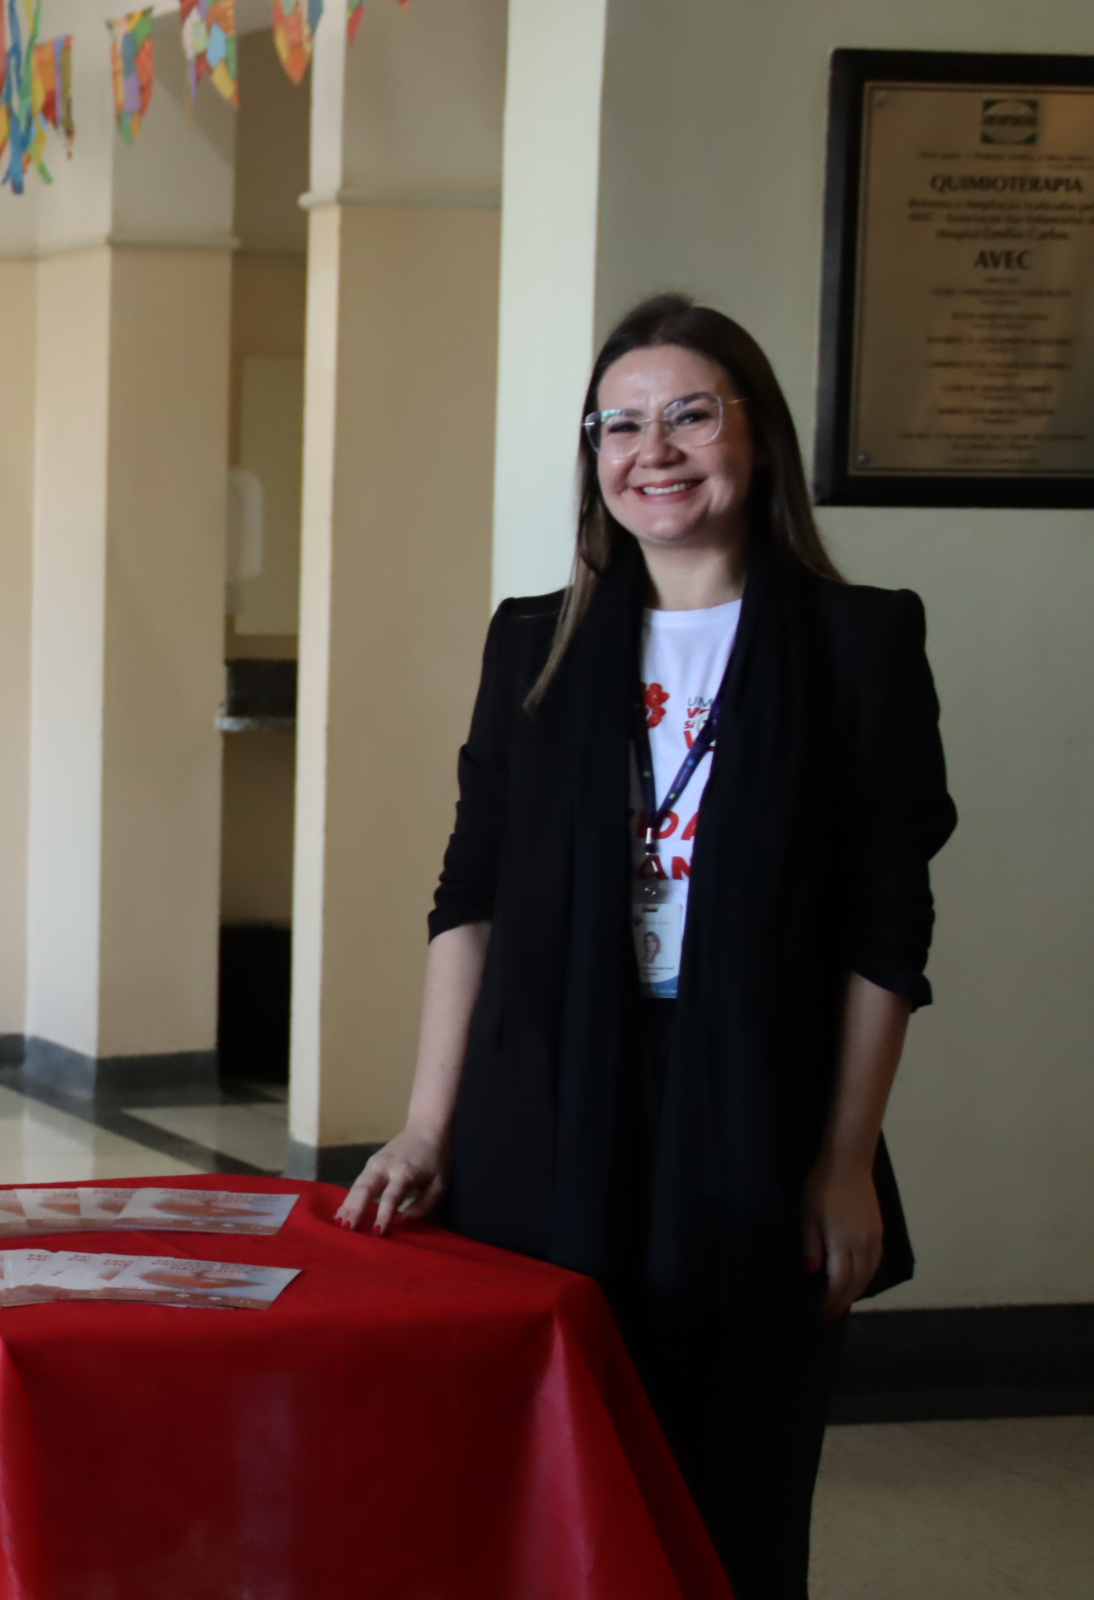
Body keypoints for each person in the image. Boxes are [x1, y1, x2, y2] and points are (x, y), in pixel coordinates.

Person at [334, 293, 956, 1599]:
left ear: (758, 436)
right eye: (618, 425)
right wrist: (430, 1126)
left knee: (731, 1488)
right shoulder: (535, 642)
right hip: (549, 1096)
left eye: (689, 415)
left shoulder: (859, 644)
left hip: (756, 1105)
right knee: (541, 1475)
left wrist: (845, 1158)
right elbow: (470, 895)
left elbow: (885, 926)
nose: (651, 450)